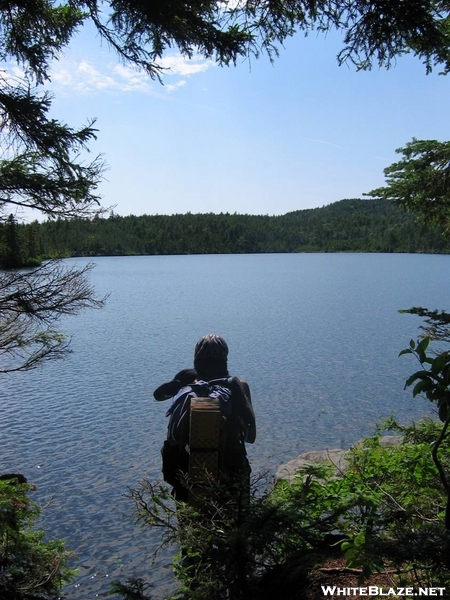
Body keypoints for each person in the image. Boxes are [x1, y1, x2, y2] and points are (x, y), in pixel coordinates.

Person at [155, 334, 256, 502]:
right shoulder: (239, 386)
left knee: (190, 525)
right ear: (225, 359)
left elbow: (159, 396)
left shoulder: (186, 387)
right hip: (232, 475)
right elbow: (251, 438)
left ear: (196, 359)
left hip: (189, 479)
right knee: (236, 525)